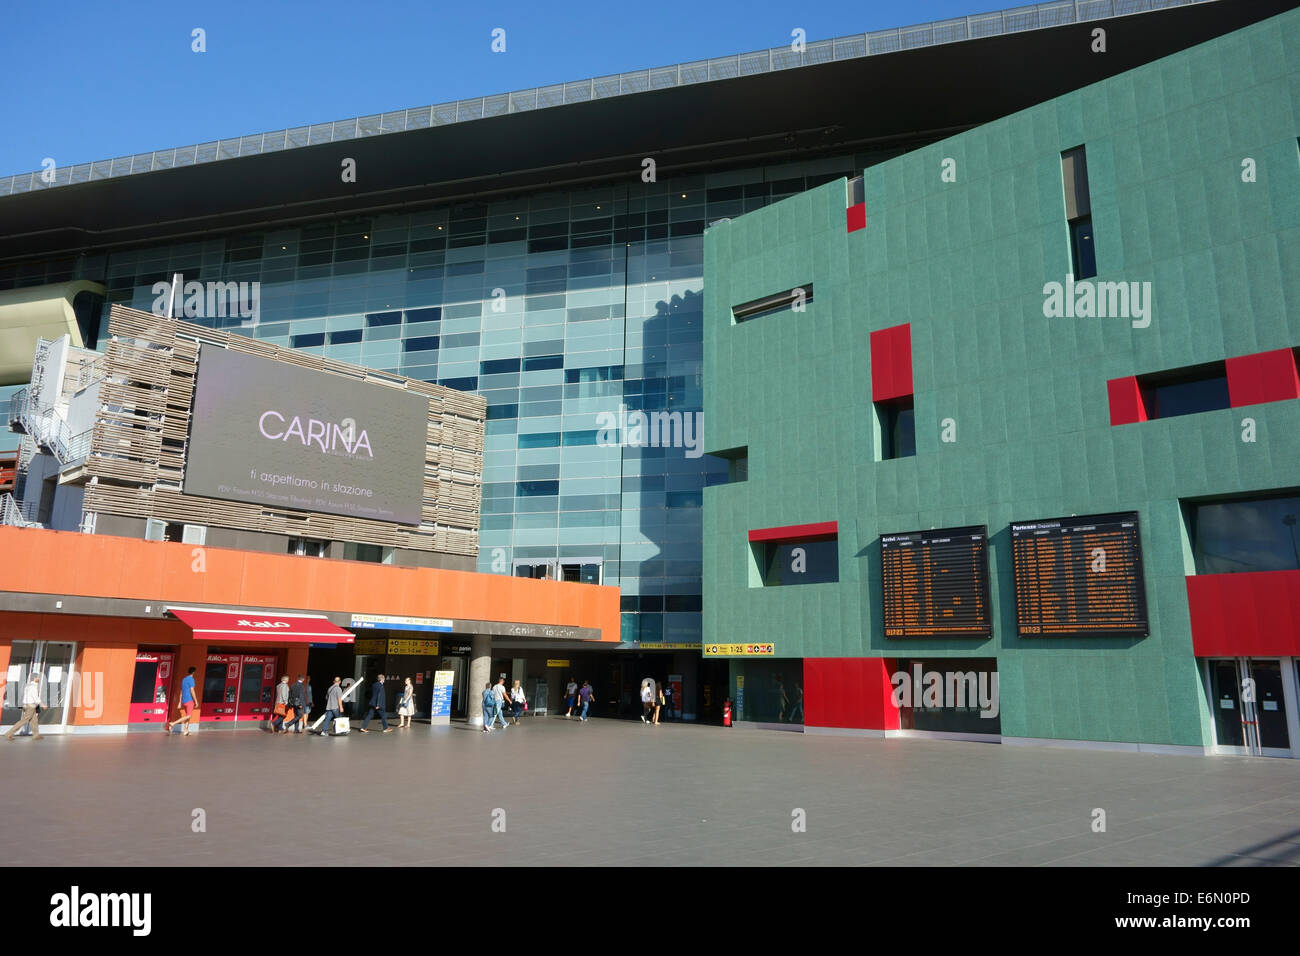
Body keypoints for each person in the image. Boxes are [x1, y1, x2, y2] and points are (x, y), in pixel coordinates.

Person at [6, 672, 43, 741]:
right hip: (31, 706)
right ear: (34, 678)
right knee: (24, 720)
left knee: (34, 721)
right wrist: (42, 704)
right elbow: (35, 698)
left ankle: (36, 735)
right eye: (38, 677)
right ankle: (9, 733)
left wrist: (24, 705)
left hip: (27, 705)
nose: (39, 678)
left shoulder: (28, 686)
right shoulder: (33, 687)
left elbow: (25, 696)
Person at [166, 666, 199, 737]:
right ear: (193, 672)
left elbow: (181, 691)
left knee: (187, 716)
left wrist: (179, 702)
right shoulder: (191, 679)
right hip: (189, 699)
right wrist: (196, 701)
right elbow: (192, 690)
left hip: (184, 700)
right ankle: (173, 723)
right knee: (189, 715)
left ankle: (186, 731)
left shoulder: (184, 680)